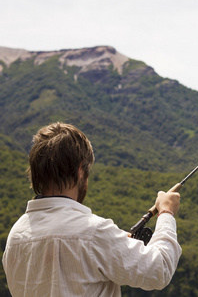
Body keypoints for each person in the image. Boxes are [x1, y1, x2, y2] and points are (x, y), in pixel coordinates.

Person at [2, 122, 182, 296]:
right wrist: (166, 212)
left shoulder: (15, 236)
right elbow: (160, 269)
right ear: (81, 170)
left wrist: (114, 242)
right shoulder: (93, 233)